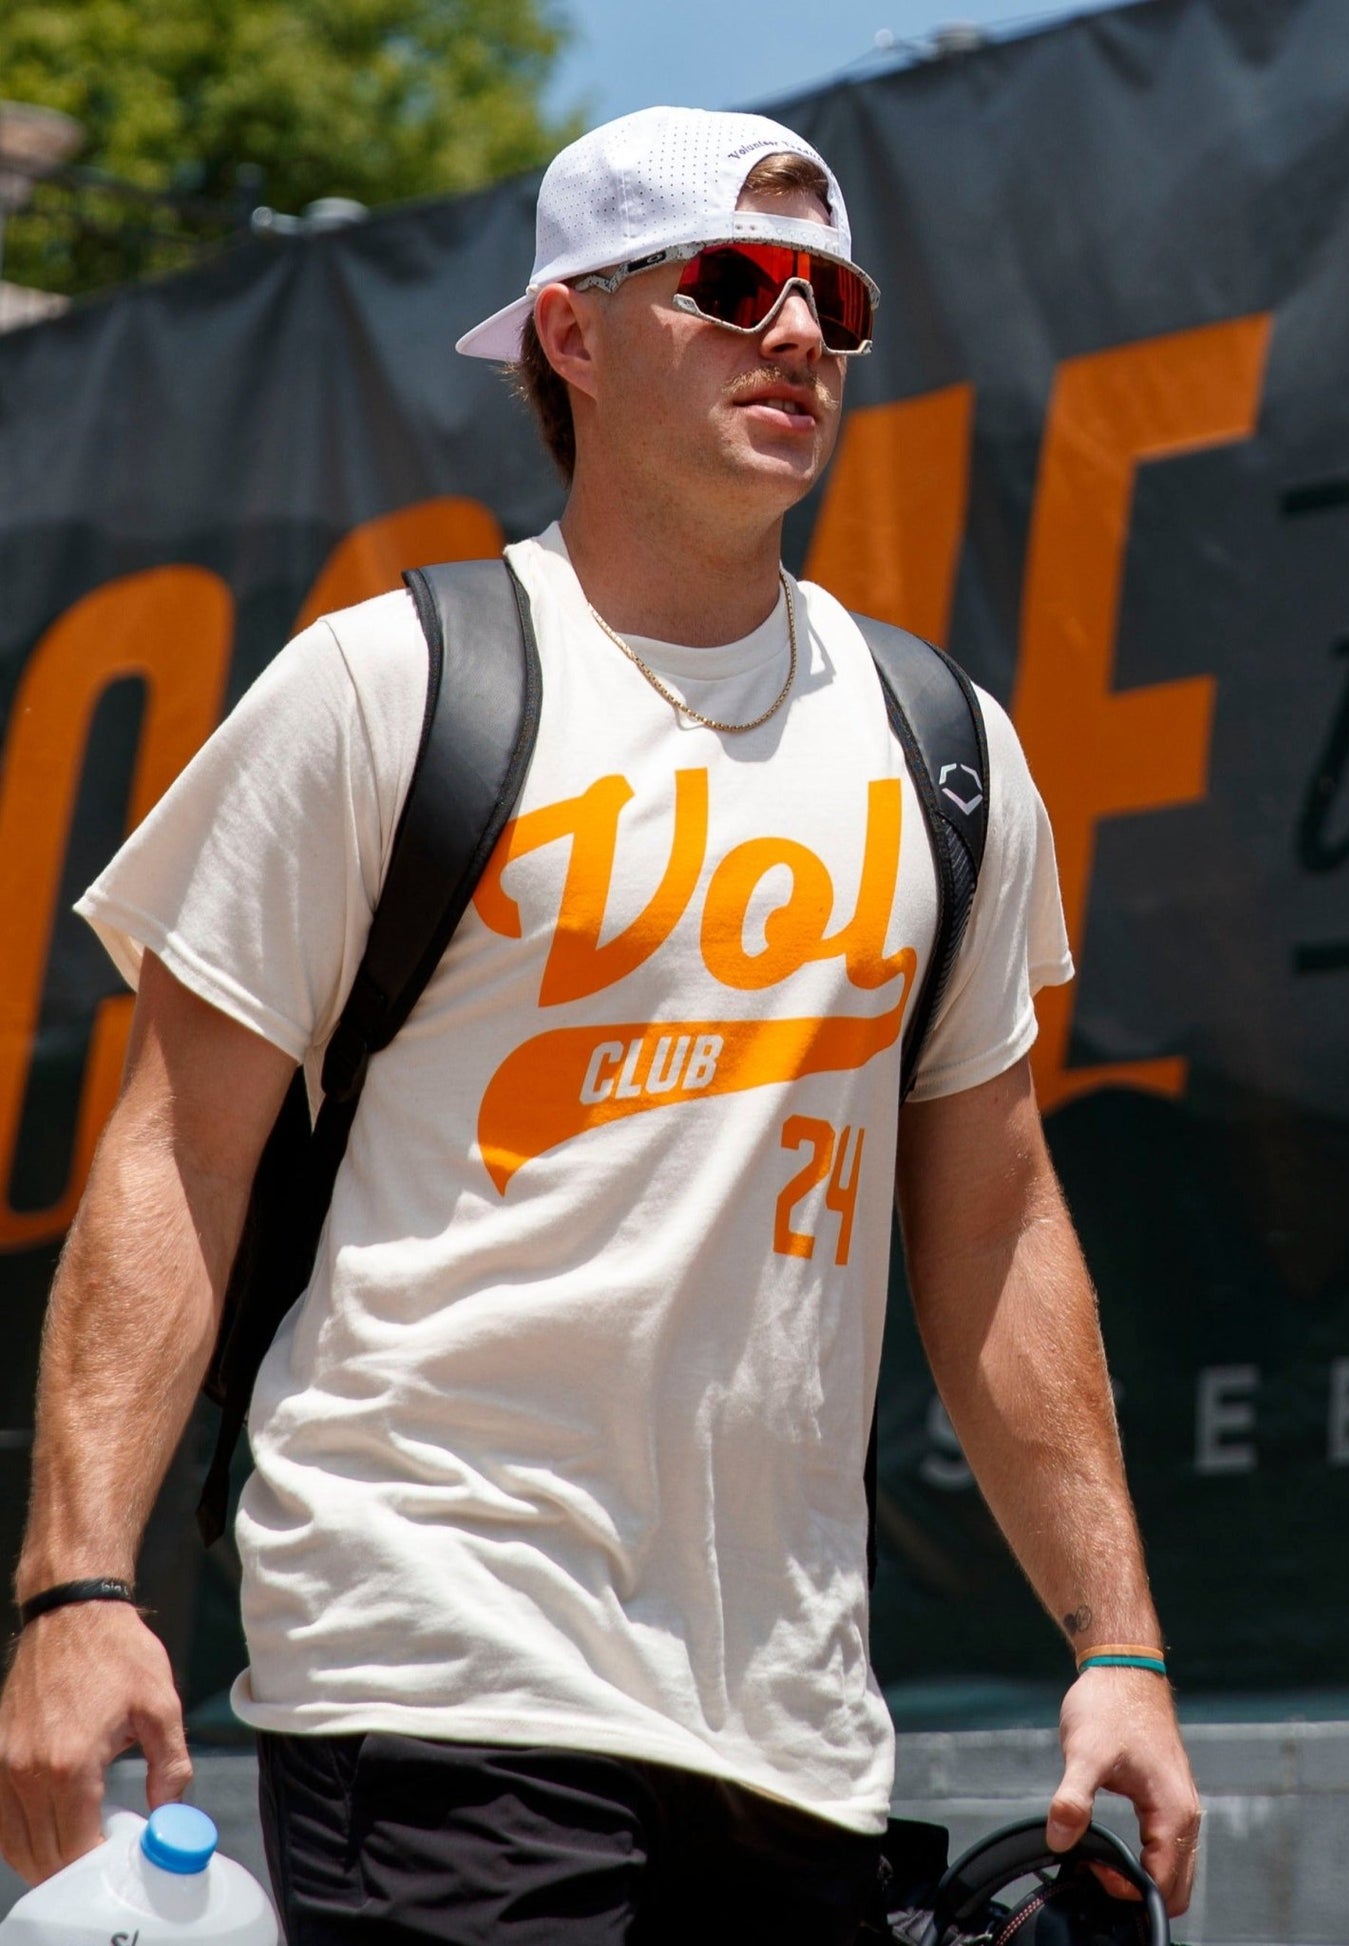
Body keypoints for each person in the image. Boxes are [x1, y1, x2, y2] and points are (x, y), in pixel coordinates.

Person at [0, 107, 1200, 1940]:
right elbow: (177, 1151)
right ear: (569, 330)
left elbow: (995, 1223)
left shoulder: (942, 747)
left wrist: (1118, 1644)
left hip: (793, 1729)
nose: (795, 333)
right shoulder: (392, 684)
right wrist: (76, 1593)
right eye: (729, 283)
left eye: (832, 296)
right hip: (433, 1668)